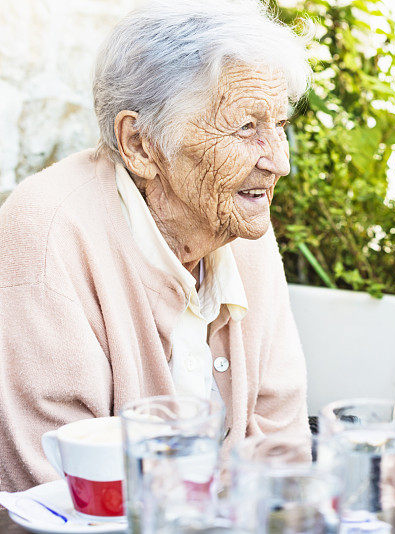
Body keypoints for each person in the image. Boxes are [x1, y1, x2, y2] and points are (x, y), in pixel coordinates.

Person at [0, 0, 312, 492]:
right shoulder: (47, 231)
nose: (279, 162)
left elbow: (283, 448)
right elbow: (58, 493)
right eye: (246, 126)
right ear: (141, 144)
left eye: (280, 127)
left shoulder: (240, 224)